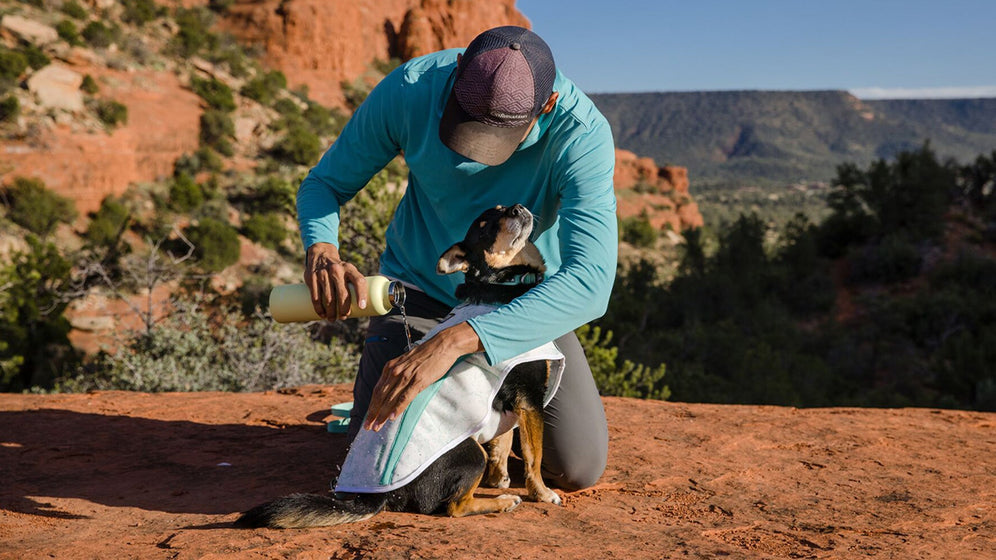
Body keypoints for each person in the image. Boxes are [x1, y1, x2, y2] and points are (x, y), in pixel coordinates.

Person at [298, 26, 616, 491]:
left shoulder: (579, 135)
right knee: (373, 463)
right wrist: (321, 246)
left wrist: (453, 342)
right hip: (417, 294)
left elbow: (590, 282)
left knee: (577, 468)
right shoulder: (412, 88)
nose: (476, 154)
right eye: (465, 123)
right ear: (457, 72)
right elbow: (324, 183)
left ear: (545, 106)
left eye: (497, 137)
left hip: (521, 302)